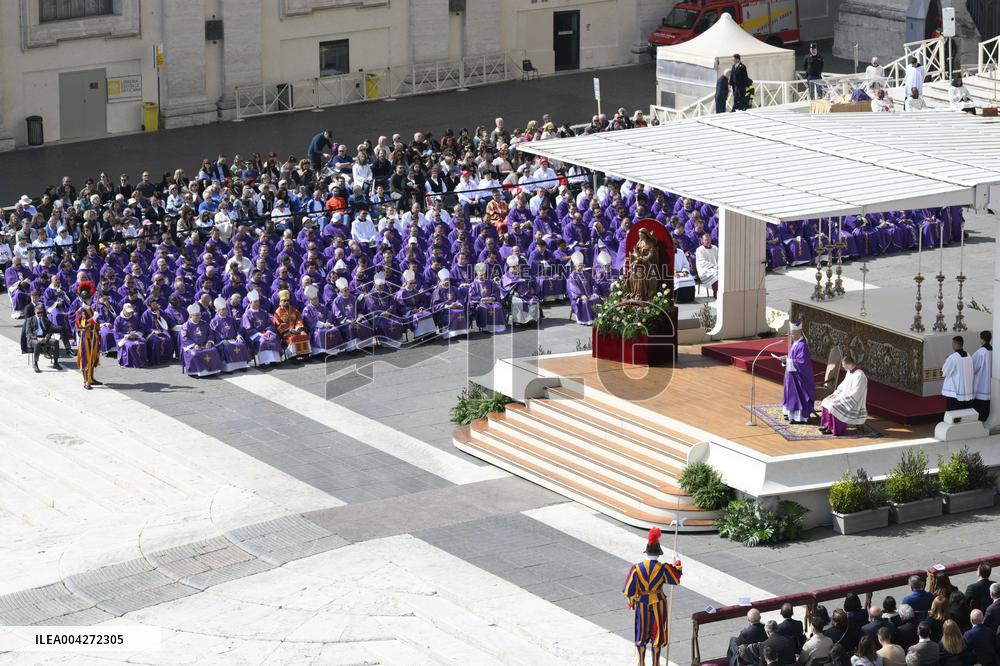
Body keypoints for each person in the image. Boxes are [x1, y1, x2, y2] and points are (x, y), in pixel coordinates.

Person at [622, 528, 682, 666]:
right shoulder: (663, 568)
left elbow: (629, 590)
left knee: (641, 635)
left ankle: (641, 663)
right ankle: (656, 664)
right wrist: (677, 562)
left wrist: (631, 600)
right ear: (659, 553)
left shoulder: (637, 568)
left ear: (647, 551)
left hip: (642, 603)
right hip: (658, 604)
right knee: (658, 635)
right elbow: (676, 578)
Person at [819, 355, 868, 435]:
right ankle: (828, 425)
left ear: (848, 364)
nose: (842, 366)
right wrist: (836, 393)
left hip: (853, 401)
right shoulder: (849, 372)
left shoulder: (860, 375)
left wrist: (842, 399)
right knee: (827, 401)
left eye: (843, 365)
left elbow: (856, 393)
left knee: (834, 406)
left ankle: (835, 429)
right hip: (844, 396)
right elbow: (843, 385)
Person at [778, 322, 815, 424]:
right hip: (791, 376)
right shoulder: (795, 343)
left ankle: (799, 418)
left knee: (797, 397)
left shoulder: (802, 345)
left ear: (799, 333)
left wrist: (787, 360)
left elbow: (801, 362)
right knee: (790, 396)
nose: (791, 336)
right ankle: (790, 414)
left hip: (799, 378)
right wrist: (785, 359)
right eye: (791, 333)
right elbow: (793, 358)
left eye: (793, 333)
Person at [179, 303, 224, 377]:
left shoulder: (204, 323)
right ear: (191, 316)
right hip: (192, 346)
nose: (199, 317)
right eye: (196, 315)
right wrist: (194, 345)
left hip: (204, 344)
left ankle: (213, 370)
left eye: (199, 315)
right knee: (195, 354)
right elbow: (184, 338)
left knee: (213, 351)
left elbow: (210, 333)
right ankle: (197, 372)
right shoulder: (186, 325)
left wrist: (209, 342)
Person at [209, 297, 251, 371]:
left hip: (233, 340)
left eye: (225, 309)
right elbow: (213, 334)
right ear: (218, 311)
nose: (225, 311)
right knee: (228, 347)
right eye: (223, 310)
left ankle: (242, 366)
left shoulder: (231, 319)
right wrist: (222, 341)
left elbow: (239, 329)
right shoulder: (214, 321)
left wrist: (239, 336)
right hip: (223, 342)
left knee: (241, 345)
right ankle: (229, 368)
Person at [73, 281, 101, 389]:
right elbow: (80, 325)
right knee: (86, 359)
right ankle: (86, 381)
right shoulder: (80, 311)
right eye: (90, 298)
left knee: (93, 358)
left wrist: (97, 324)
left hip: (94, 336)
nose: (92, 299)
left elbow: (96, 324)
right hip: (86, 338)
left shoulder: (92, 309)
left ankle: (91, 378)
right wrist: (92, 320)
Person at [20, 303, 61, 373]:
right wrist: (37, 338)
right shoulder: (30, 320)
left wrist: (47, 337)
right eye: (38, 313)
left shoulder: (45, 320)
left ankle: (56, 362)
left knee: (55, 342)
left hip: (44, 338)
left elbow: (50, 330)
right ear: (35, 312)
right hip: (34, 339)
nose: (40, 314)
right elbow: (28, 333)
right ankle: (35, 363)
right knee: (37, 343)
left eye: (41, 312)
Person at [273, 289, 310, 357]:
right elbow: (278, 325)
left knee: (303, 334)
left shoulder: (293, 309)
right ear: (280, 301)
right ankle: (292, 356)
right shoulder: (277, 312)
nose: (287, 302)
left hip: (296, 329)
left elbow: (299, 319)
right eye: (284, 301)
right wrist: (289, 330)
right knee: (292, 337)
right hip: (286, 332)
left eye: (288, 300)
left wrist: (298, 327)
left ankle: (304, 354)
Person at [942, 336, 974, 411]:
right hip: (966, 390)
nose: (952, 345)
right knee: (964, 411)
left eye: (953, 343)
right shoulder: (969, 356)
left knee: (954, 412)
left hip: (955, 392)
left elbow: (945, 372)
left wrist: (946, 360)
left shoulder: (953, 357)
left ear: (956, 344)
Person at [972, 331, 992, 422]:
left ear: (982, 339)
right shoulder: (994, 350)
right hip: (992, 385)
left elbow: (973, 367)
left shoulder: (980, 352)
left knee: (980, 408)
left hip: (981, 384)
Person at [695, 233, 719, 298]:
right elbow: (702, 262)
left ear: (711, 240)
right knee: (716, 274)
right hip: (704, 270)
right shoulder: (699, 250)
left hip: (716, 267)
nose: (707, 241)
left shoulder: (715, 248)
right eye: (705, 240)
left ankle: (722, 291)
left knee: (723, 273)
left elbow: (719, 258)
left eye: (708, 240)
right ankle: (716, 293)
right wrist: (713, 266)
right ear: (702, 240)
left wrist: (719, 265)